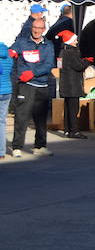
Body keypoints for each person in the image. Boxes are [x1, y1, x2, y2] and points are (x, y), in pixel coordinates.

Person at [10, 17, 55, 157]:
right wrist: (11, 52)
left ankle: (40, 146)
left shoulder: (48, 45)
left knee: (41, 118)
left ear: (44, 30)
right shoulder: (22, 42)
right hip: (26, 85)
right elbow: (11, 51)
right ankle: (17, 146)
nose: (36, 30)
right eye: (35, 27)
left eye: (39, 28)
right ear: (31, 28)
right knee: (21, 116)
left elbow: (48, 65)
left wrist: (33, 73)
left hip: (42, 85)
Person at [57, 30, 91, 139]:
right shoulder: (72, 52)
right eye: (75, 40)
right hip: (73, 85)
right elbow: (78, 66)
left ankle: (67, 130)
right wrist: (87, 62)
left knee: (67, 108)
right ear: (69, 41)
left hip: (65, 84)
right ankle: (74, 131)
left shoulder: (62, 52)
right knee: (73, 109)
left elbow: (60, 66)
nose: (76, 42)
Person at [0, 42, 15, 159]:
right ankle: (1, 152)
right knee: (2, 121)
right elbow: (11, 72)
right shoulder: (8, 56)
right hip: (7, 91)